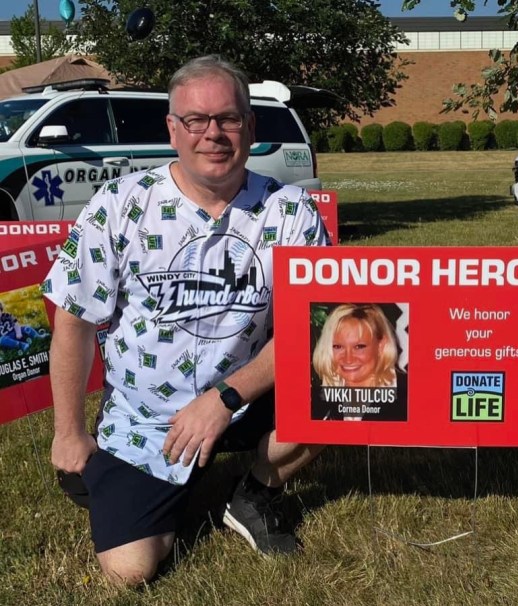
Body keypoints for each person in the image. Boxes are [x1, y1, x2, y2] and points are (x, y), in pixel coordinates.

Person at [43, 55, 329, 585]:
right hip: (146, 414)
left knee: (351, 383)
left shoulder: (291, 212)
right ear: (173, 129)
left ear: (251, 125)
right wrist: (68, 432)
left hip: (246, 399)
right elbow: (75, 321)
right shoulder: (121, 205)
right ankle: (140, 480)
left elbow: (305, 329)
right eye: (196, 121)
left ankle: (253, 495)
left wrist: (224, 400)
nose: (213, 134)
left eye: (229, 118)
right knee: (131, 570)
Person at [311, 304, 407, 421]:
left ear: (381, 346)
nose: (348, 359)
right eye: (338, 346)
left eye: (359, 346)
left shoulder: (410, 397)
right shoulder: (318, 399)